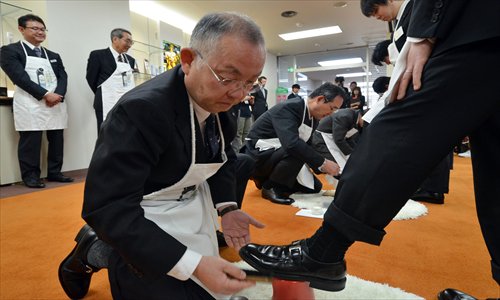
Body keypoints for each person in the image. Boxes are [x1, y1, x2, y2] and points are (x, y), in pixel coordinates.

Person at [240, 1, 500, 298]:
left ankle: (323, 252)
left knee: (399, 131)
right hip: (480, 31)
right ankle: (323, 249)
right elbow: (303, 144)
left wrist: (422, 32)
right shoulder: (293, 109)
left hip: (476, 27)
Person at [58, 12, 267, 300]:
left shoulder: (220, 101)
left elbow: (222, 156)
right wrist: (193, 265)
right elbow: (106, 207)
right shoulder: (140, 110)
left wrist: (227, 208)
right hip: (142, 211)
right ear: (188, 60)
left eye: (250, 83)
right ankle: (95, 251)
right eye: (228, 78)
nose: (238, 93)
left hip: (189, 203)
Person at [0, 14, 73, 188]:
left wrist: (58, 95)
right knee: (31, 142)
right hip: (30, 102)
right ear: (21, 29)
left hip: (55, 101)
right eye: (35, 28)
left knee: (56, 139)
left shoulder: (53, 55)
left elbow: (63, 76)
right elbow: (19, 77)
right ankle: (31, 176)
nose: (40, 32)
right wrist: (45, 95)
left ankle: (55, 172)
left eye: (42, 29)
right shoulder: (10, 51)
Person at [245, 82, 346, 205]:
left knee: (314, 187)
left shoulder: (314, 117)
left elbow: (309, 145)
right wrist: (323, 163)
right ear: (320, 99)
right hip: (259, 156)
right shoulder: (289, 107)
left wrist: (326, 169)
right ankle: (270, 186)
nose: (331, 114)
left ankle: (278, 181)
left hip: (279, 153)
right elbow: (291, 144)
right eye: (332, 108)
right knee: (296, 149)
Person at [86, 28, 136, 133]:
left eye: (131, 42)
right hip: (106, 101)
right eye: (127, 41)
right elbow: (91, 79)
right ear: (115, 39)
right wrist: (103, 92)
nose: (130, 45)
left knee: (126, 132)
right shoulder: (98, 55)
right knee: (105, 134)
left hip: (126, 103)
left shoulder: (130, 60)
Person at [312, 108, 364, 172]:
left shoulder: (355, 120)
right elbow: (339, 139)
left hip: (334, 138)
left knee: (346, 163)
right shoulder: (346, 116)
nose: (365, 125)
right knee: (339, 166)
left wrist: (355, 152)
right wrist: (351, 154)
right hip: (323, 138)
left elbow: (348, 138)